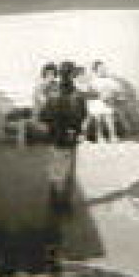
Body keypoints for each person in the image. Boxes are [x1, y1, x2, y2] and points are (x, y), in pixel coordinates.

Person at [40, 74, 89, 214]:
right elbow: (82, 117)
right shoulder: (78, 98)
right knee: (68, 172)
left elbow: (43, 117)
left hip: (54, 139)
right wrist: (78, 131)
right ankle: (65, 204)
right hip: (69, 139)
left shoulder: (52, 98)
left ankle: (54, 202)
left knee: (56, 170)